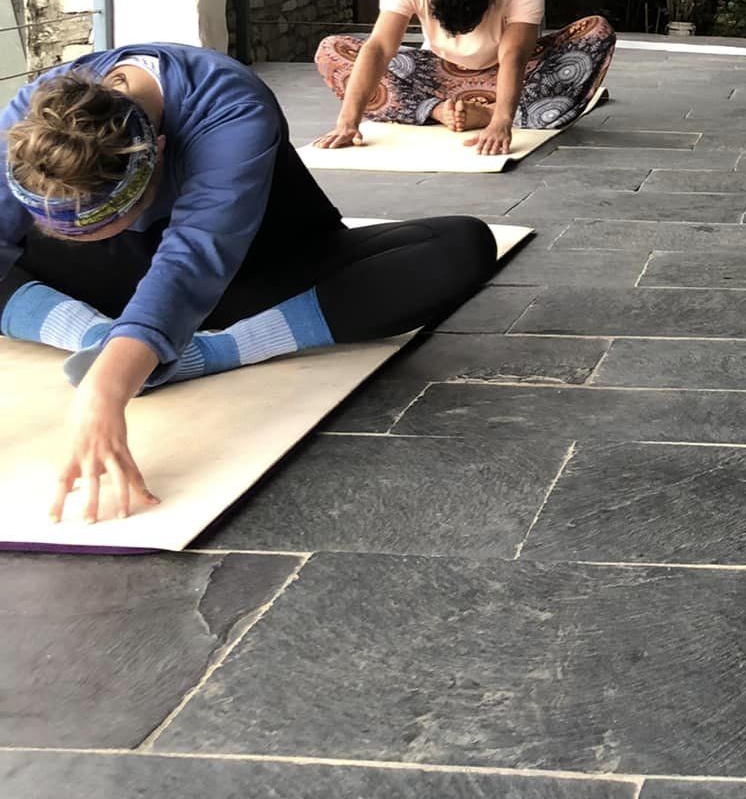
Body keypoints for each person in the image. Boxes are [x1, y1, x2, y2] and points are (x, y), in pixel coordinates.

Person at [1, 44, 499, 524]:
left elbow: (192, 261)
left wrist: (104, 390)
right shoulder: (32, 121)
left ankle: (205, 352)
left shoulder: (227, 103)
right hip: (123, 284)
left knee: (457, 247)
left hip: (247, 269)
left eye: (108, 224)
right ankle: (101, 339)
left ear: (160, 151)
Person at [315, 0, 615, 157]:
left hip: (511, 77)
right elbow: (380, 48)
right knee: (334, 50)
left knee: (596, 31)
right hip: (440, 76)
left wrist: (500, 122)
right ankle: (438, 110)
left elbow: (513, 57)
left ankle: (486, 113)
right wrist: (348, 122)